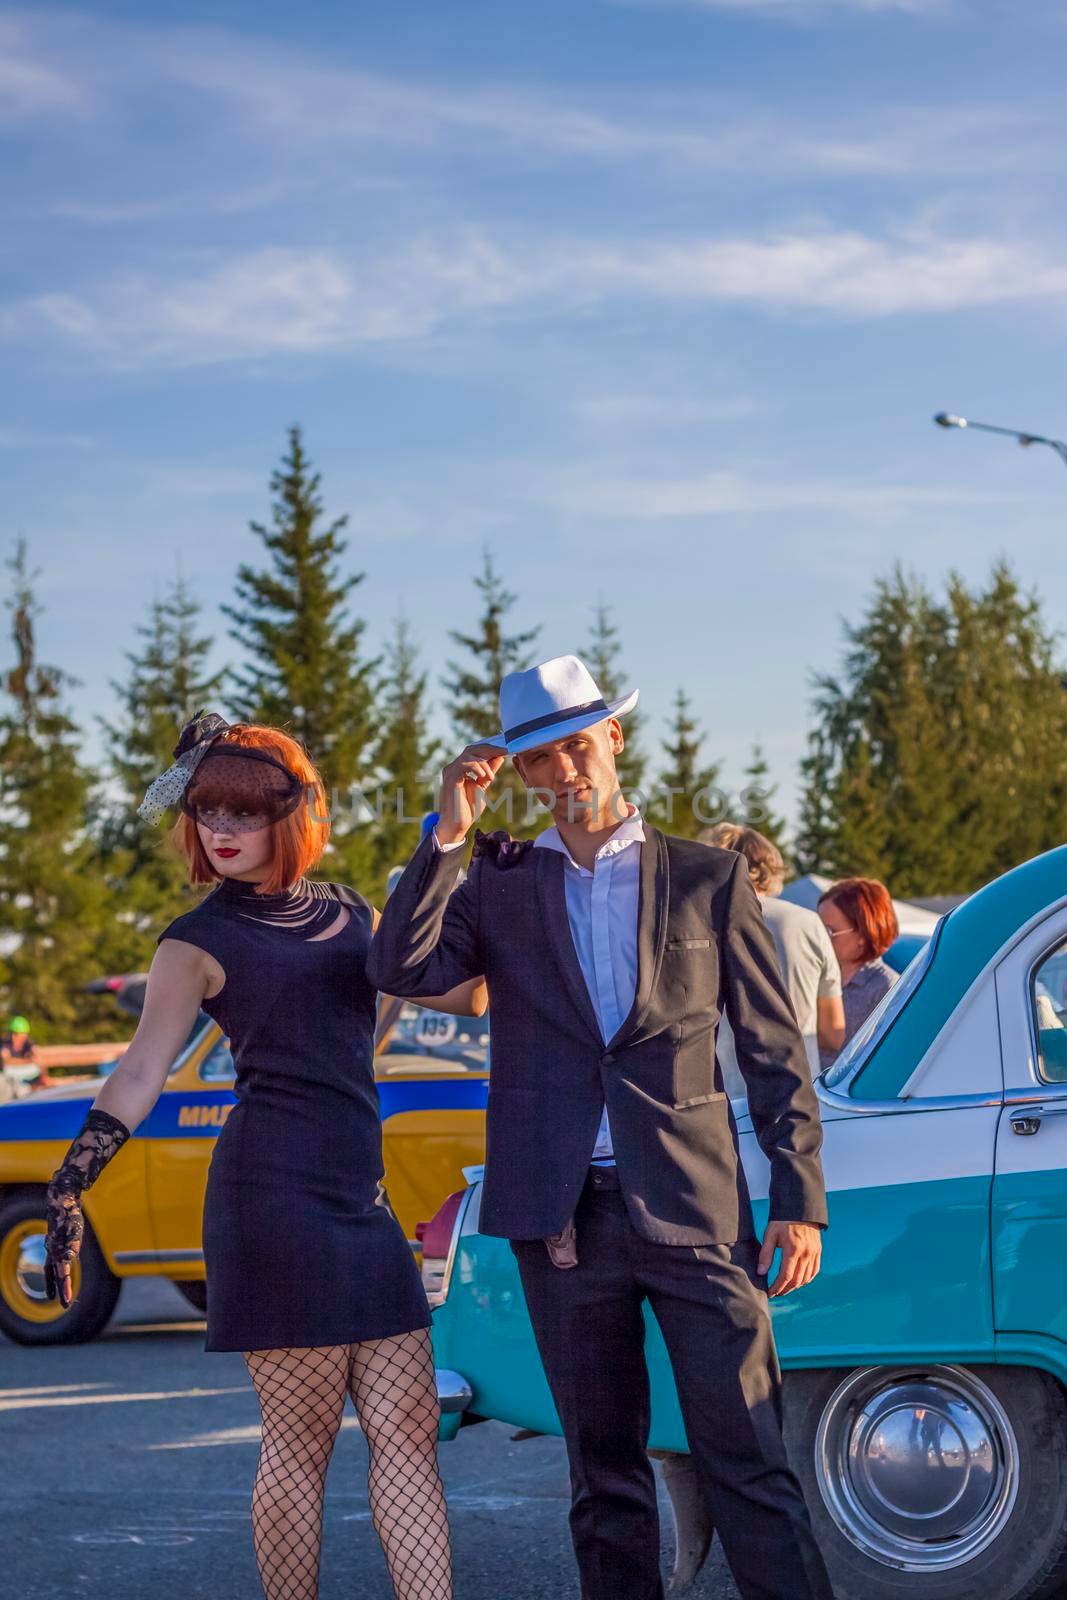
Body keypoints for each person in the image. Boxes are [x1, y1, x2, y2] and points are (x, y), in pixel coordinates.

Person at [368, 654, 835, 1600]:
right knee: (603, 1478)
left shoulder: (708, 878)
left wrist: (798, 1197)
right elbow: (399, 966)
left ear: (613, 740)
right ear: (521, 773)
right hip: (562, 1218)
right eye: (538, 760)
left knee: (745, 1455)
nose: (564, 772)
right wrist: (448, 835)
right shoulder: (494, 883)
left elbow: (775, 1048)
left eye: (577, 747)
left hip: (696, 1208)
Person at [43, 712, 486, 1600]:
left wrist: (473, 868)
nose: (223, 830)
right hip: (268, 1198)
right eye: (209, 813)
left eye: (245, 813)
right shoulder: (196, 940)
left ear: (293, 816)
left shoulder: (355, 912)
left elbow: (404, 1008)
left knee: (406, 1428)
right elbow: (139, 1070)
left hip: (358, 1201)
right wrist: (67, 1187)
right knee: (302, 1437)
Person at [699, 825, 845, 1083]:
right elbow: (833, 1033)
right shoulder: (809, 923)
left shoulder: (699, 922)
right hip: (799, 1087)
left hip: (724, 1091)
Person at [817, 876, 899, 1067]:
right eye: (816, 929)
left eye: (828, 931)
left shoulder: (886, 987)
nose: (818, 938)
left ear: (863, 933)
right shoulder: (818, 975)